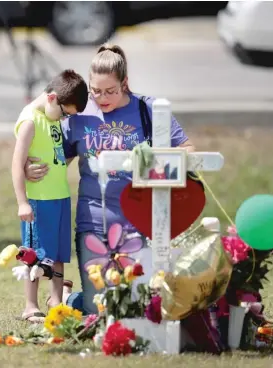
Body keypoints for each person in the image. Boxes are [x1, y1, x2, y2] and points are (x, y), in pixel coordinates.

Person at [24, 44, 195, 315]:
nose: (102, 98)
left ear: (125, 83)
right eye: (96, 91)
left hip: (138, 222)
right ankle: (70, 299)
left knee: (135, 304)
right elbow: (56, 157)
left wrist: (155, 162)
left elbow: (187, 151)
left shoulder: (147, 110)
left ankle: (72, 297)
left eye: (110, 91)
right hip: (92, 223)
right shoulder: (80, 113)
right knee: (100, 309)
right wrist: (29, 169)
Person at [12, 69, 88, 323]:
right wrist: (22, 202)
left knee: (57, 254)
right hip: (38, 201)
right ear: (53, 98)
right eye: (66, 113)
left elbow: (57, 158)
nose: (67, 118)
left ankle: (56, 301)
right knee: (34, 254)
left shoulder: (53, 118)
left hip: (60, 198)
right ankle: (30, 305)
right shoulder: (30, 121)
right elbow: (16, 164)